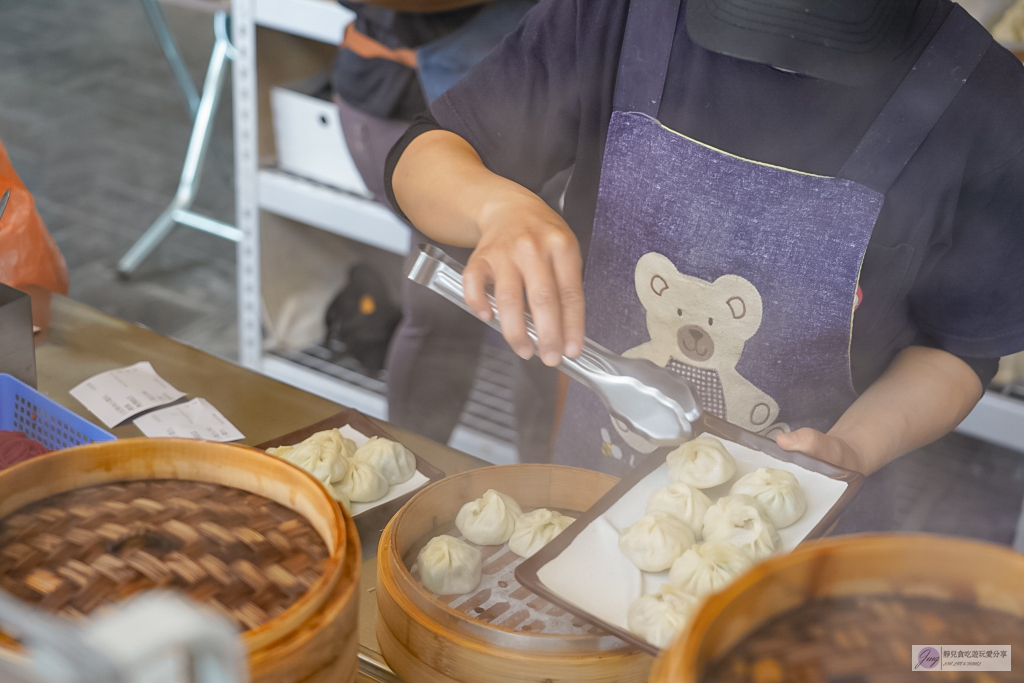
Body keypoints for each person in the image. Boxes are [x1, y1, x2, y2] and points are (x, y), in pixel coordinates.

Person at [384, 0, 1024, 476]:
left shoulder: (987, 105)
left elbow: (959, 346)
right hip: (591, 480)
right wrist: (495, 207)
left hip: (808, 510)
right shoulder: (616, 14)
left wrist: (854, 447)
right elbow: (420, 157)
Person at [332, 0, 557, 461]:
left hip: (519, 105)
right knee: (450, 313)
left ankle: (550, 500)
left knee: (542, 312)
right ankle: (401, 480)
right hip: (413, 107)